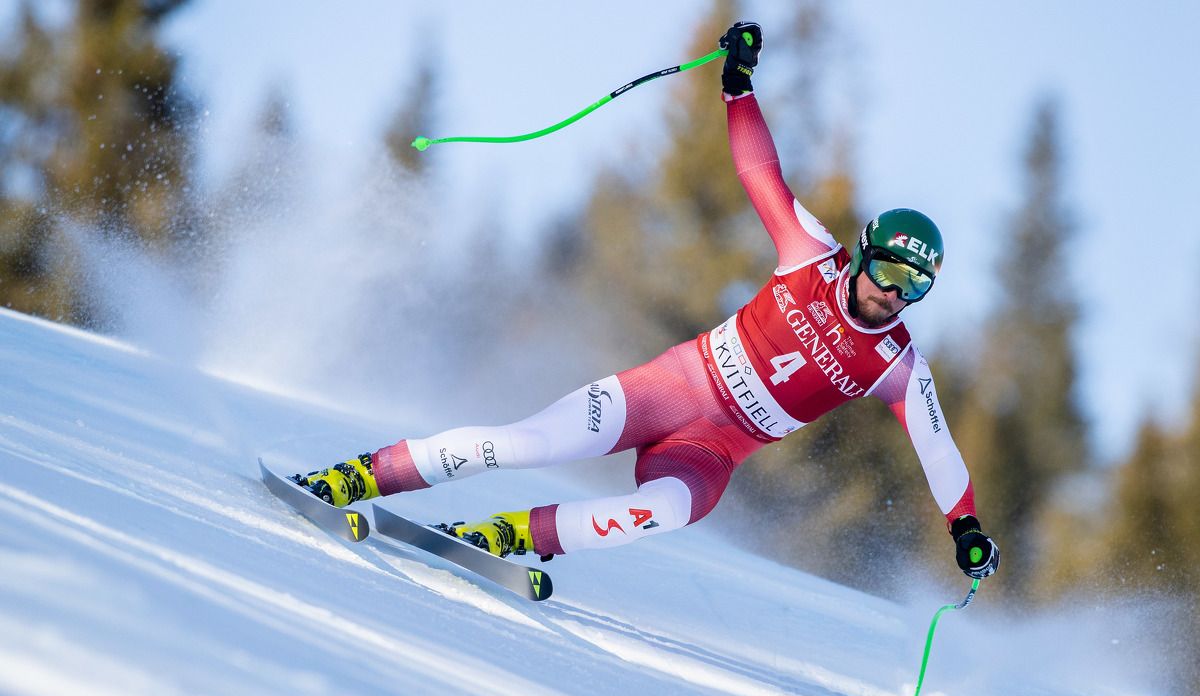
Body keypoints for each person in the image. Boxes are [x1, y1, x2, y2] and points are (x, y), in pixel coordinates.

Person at [296, 21, 999, 581]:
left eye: (914, 288)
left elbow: (937, 450)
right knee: (525, 443)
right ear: (864, 252)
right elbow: (760, 172)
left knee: (662, 512)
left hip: (714, 450)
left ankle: (512, 535)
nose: (892, 296)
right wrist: (738, 85)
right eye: (887, 273)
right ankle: (361, 475)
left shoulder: (896, 365)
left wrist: (966, 529)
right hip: (668, 388)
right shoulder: (811, 253)